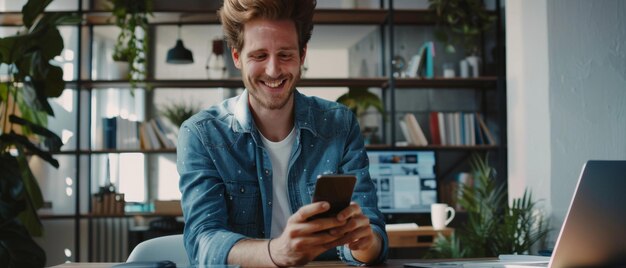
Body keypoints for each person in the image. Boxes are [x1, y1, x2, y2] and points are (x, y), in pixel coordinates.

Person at [177, 0, 388, 266]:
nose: (274, 70)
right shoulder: (202, 135)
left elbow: (373, 235)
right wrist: (277, 252)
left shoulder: (340, 124)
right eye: (259, 56)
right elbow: (202, 242)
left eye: (285, 55)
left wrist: (364, 244)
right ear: (236, 57)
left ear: (302, 55)